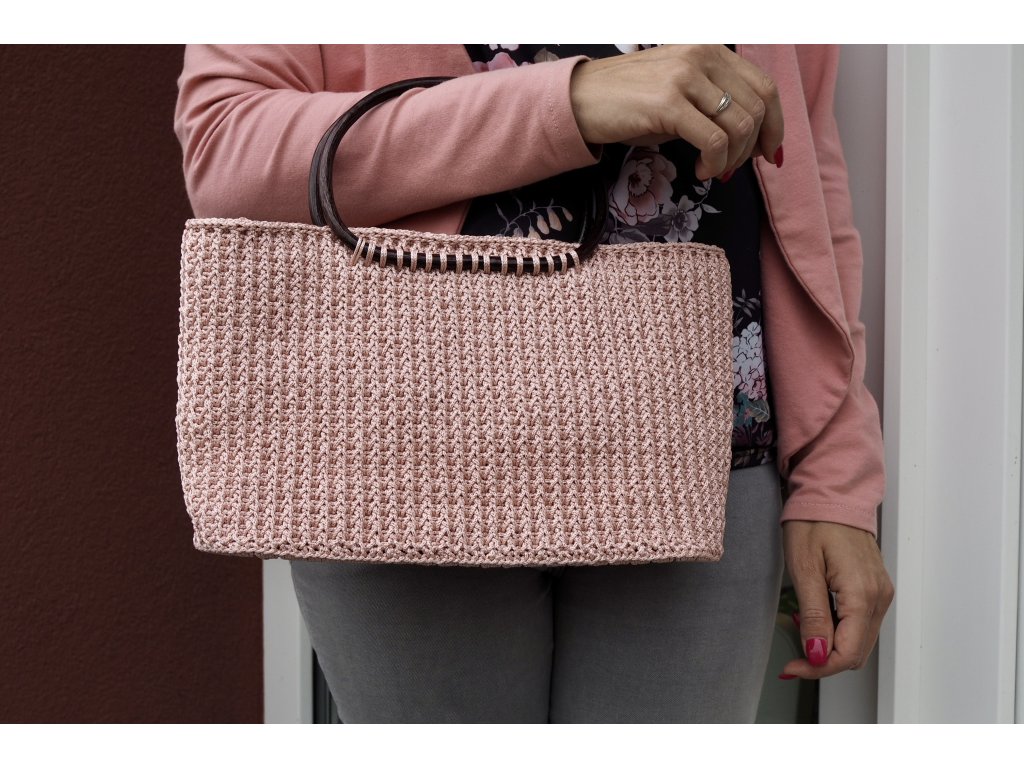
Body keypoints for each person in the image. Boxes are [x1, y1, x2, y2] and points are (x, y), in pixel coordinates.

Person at [174, 43, 894, 723]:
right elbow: (227, 151)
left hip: (694, 448)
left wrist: (834, 474)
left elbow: (806, 196)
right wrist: (572, 100)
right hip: (403, 440)